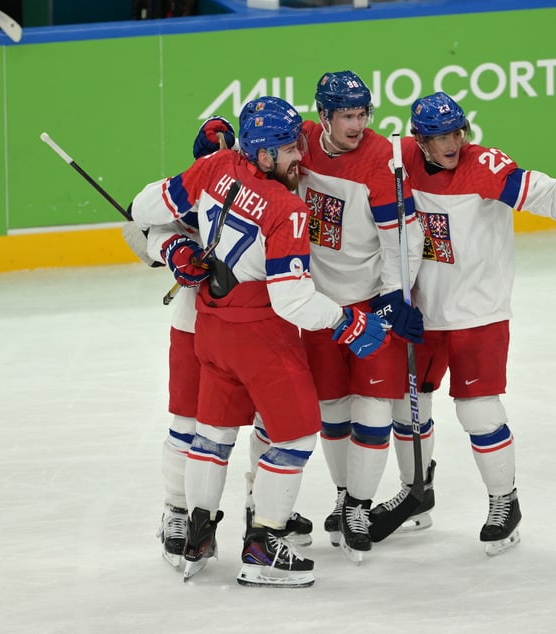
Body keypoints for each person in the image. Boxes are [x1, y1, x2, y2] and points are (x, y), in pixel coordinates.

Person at [130, 97, 390, 587]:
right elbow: (292, 301)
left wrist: (177, 230)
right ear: (264, 154)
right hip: (261, 334)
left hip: (211, 327)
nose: (301, 157)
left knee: (213, 433)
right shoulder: (288, 210)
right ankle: (263, 545)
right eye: (290, 149)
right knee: (293, 432)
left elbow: (141, 206)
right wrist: (348, 322)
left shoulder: (213, 168)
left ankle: (197, 535)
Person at [371, 91, 556, 555]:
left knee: (478, 411)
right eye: (438, 136)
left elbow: (541, 191)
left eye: (456, 132)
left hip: (477, 312)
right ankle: (416, 492)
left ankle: (505, 503)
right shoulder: (399, 158)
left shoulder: (484, 165)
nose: (451, 143)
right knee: (408, 407)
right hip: (422, 310)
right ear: (418, 140)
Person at [256, 71, 423, 563]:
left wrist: (395, 293)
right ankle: (344, 492)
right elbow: (256, 151)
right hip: (320, 306)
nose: (357, 124)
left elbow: (405, 237)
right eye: (346, 116)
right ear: (323, 117)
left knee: (372, 410)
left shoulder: (379, 161)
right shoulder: (301, 142)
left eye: (363, 115)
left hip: (370, 299)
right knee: (331, 413)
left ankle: (358, 505)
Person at [152, 115, 311, 572]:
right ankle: (179, 513)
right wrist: (172, 253)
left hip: (250, 320)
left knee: (263, 422)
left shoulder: (265, 180)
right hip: (195, 321)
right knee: (190, 423)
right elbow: (143, 229)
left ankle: (257, 512)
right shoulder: (198, 182)